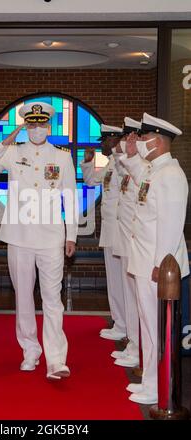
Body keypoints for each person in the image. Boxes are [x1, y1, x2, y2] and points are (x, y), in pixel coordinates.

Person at [0, 101, 78, 380]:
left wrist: (71, 235)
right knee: (23, 297)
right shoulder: (13, 152)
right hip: (19, 236)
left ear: (49, 126)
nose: (36, 129)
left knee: (52, 299)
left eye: (41, 124)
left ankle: (57, 360)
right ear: (26, 126)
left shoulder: (61, 157)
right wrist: (9, 138)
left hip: (51, 237)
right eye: (31, 124)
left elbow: (69, 197)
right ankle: (30, 351)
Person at [121, 113, 189, 405]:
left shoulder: (171, 175)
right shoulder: (153, 171)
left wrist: (161, 265)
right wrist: (131, 153)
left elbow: (172, 225)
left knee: (157, 329)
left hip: (158, 267)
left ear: (159, 141)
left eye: (145, 137)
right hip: (145, 260)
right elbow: (134, 172)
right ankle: (150, 380)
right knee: (149, 327)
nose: (141, 141)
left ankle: (157, 385)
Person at [81, 124, 127, 341]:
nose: (101, 145)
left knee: (123, 280)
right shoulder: (110, 164)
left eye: (104, 141)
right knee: (114, 279)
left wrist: (121, 155)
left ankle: (125, 325)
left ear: (115, 140)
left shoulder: (123, 163)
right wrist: (88, 162)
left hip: (121, 231)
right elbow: (91, 181)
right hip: (109, 231)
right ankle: (119, 322)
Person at [111, 117, 145, 369]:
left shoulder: (144, 170)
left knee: (137, 299)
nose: (127, 143)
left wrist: (127, 154)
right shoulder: (133, 169)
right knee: (131, 297)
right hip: (126, 240)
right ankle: (133, 343)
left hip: (137, 243)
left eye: (132, 138)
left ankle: (137, 346)